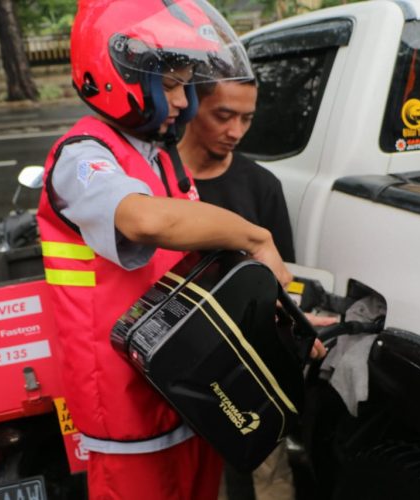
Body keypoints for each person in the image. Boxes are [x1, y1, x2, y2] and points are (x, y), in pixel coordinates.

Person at [35, 1, 291, 498]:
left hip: (183, 389)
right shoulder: (84, 156)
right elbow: (146, 221)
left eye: (185, 85)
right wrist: (256, 236)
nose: (181, 100)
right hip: (128, 407)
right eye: (170, 84)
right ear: (119, 76)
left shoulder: (156, 155)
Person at [179, 77, 329, 500]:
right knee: (199, 475)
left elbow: (284, 278)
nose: (236, 131)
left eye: (246, 118)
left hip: (249, 359)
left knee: (270, 468)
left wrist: (296, 324)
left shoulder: (261, 186)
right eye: (223, 115)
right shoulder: (159, 184)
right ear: (190, 106)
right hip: (181, 360)